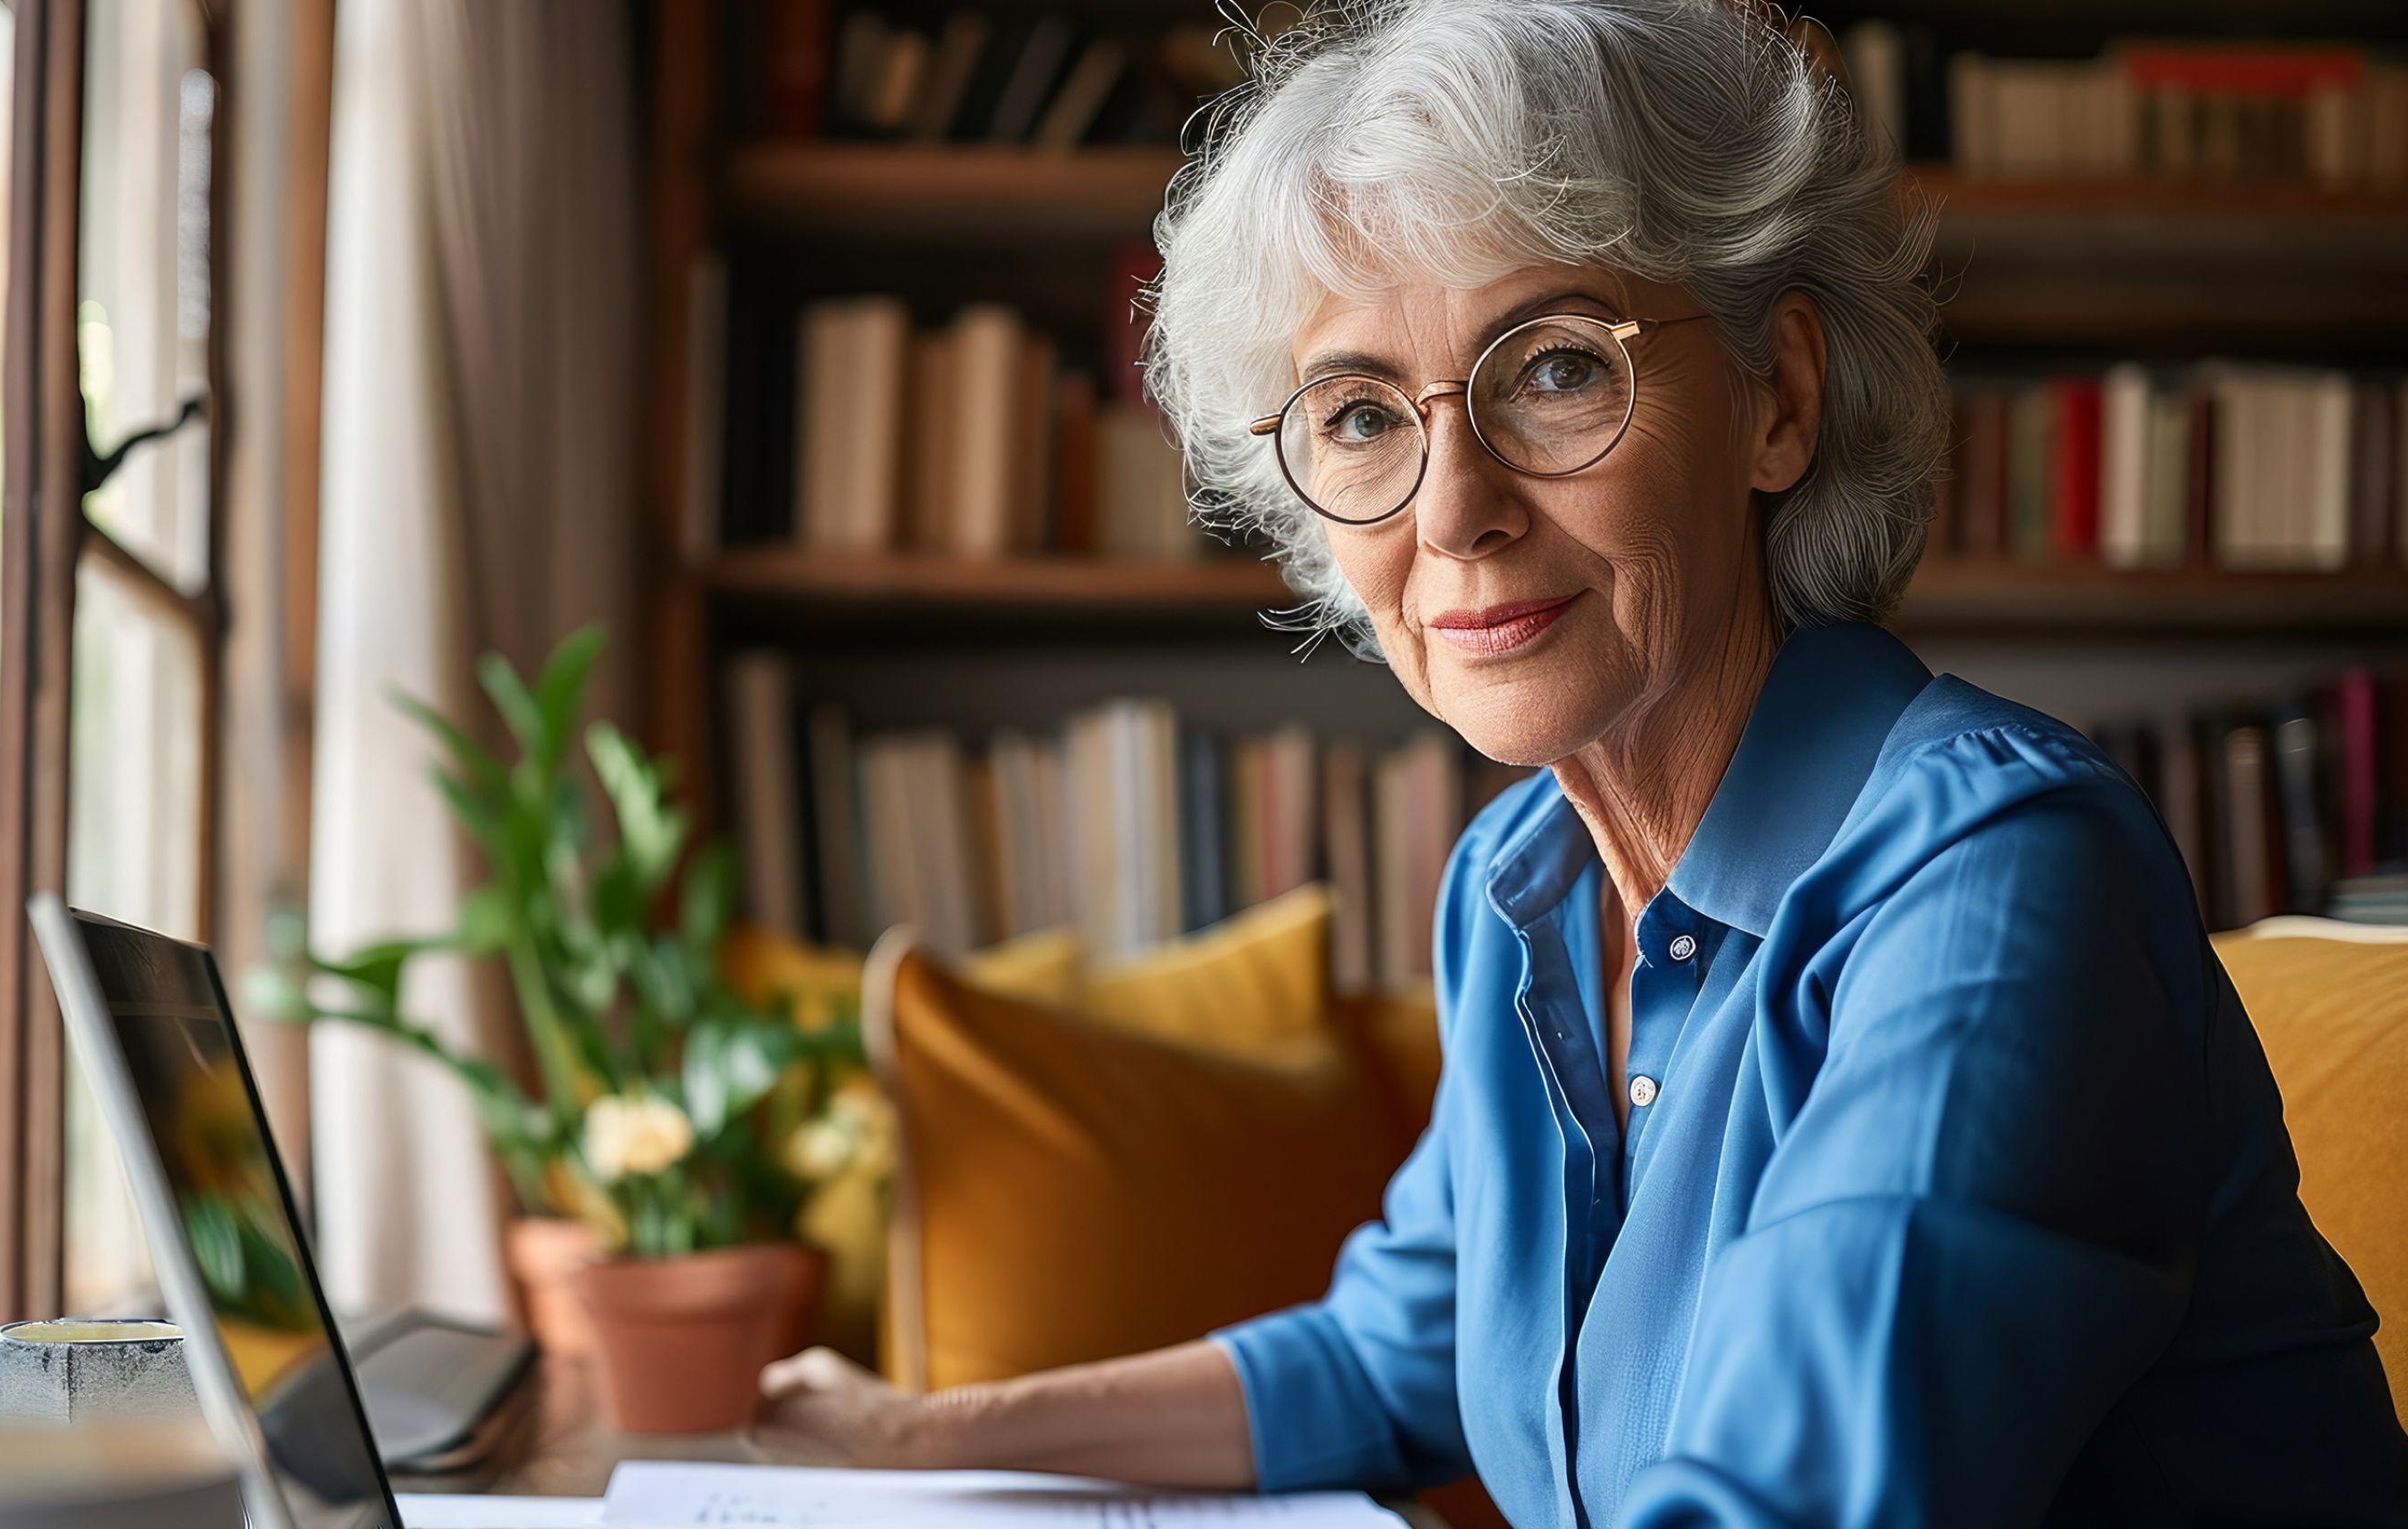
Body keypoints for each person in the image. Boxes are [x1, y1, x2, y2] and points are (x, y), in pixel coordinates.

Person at [753, 2, 2408, 1523]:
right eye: (1359, 413)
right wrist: (917, 1439)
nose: (1452, 506)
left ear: (1777, 401)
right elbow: (1384, 1361)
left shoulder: (1987, 878)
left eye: (1555, 369)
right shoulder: (1518, 890)